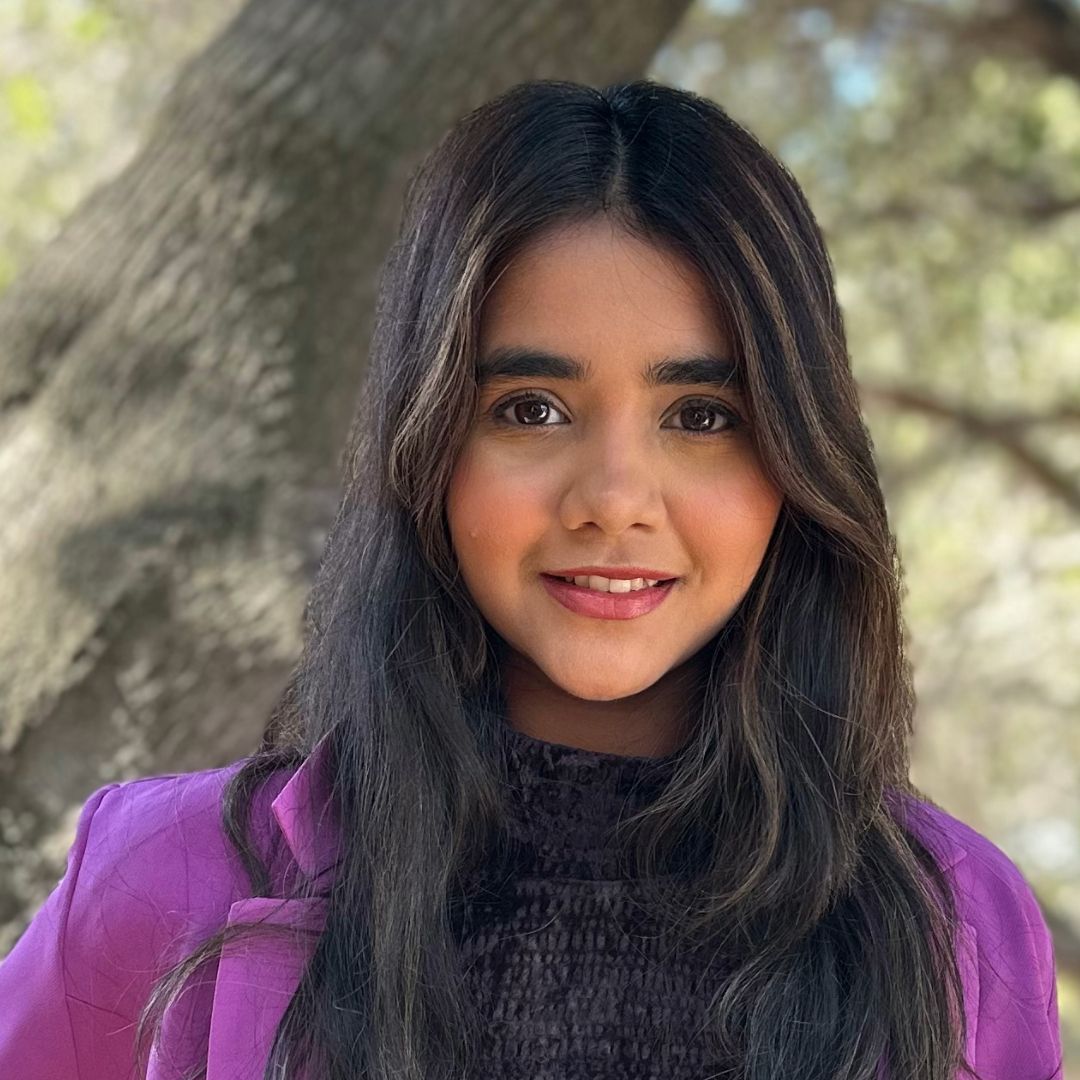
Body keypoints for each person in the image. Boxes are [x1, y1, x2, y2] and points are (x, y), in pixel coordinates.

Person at [0, 79, 1063, 1080]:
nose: (614, 498)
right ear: (430, 448)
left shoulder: (958, 925)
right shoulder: (157, 877)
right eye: (530, 409)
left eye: (701, 417)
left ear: (797, 460)